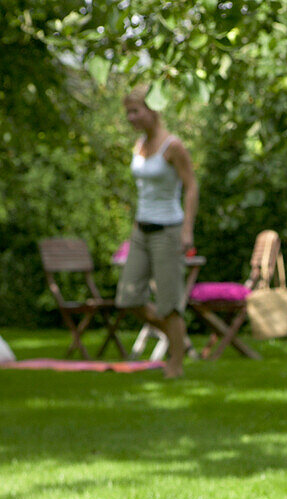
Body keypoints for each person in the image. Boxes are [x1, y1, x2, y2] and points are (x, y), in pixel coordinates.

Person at [115, 85, 198, 379]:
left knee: (169, 304)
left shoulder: (172, 146)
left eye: (135, 111)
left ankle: (175, 363)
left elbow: (191, 186)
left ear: (153, 111)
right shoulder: (138, 144)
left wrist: (187, 229)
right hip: (141, 230)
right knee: (128, 298)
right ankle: (179, 340)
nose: (130, 117)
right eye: (128, 112)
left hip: (168, 231)